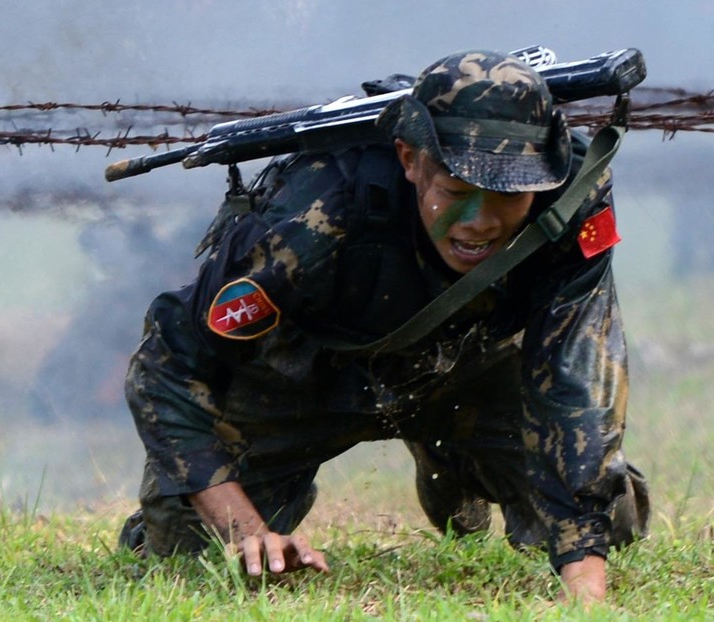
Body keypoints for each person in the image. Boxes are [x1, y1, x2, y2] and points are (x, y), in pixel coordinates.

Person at [117, 49, 650, 605]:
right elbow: (169, 361)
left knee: (608, 521)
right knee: (190, 555)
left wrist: (585, 593)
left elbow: (577, 378)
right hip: (305, 380)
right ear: (409, 159)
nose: (480, 222)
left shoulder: (572, 198)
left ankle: (449, 452)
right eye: (456, 191)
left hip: (468, 367)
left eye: (508, 195)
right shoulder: (316, 212)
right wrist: (246, 535)